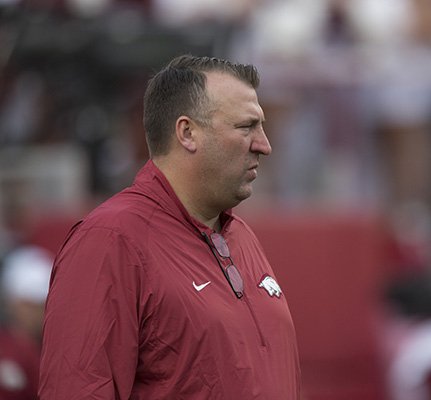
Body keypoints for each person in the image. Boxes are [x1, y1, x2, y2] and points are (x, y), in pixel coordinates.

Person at [38, 55, 302, 399]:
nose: (264, 145)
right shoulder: (110, 240)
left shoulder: (242, 237)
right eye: (245, 127)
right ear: (187, 133)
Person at [0, 245, 53, 400]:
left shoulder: (51, 347)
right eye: (30, 304)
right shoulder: (7, 349)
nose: (38, 312)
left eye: (42, 304)